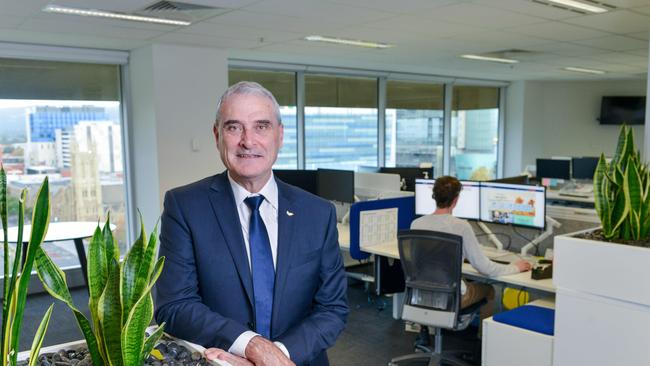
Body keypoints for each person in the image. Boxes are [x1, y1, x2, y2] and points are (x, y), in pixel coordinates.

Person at [154, 81, 349, 366]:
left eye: (261, 126)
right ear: (217, 134)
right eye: (234, 127)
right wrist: (251, 346)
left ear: (279, 135)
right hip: (221, 361)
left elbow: (332, 309)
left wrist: (276, 357)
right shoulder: (184, 206)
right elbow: (175, 306)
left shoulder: (317, 213)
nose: (248, 141)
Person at [410, 176, 531, 309]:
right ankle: (483, 330)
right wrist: (516, 267)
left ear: (434, 196)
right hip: (451, 296)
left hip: (421, 293)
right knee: (489, 288)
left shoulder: (416, 224)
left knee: (467, 281)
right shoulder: (461, 226)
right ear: (455, 200)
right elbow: (484, 268)